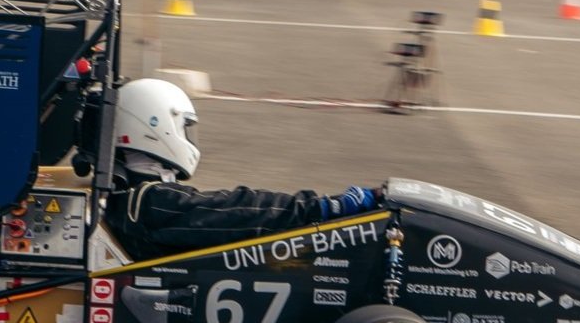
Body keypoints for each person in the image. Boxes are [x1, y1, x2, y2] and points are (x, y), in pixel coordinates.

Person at [102, 78, 380, 261]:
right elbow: (238, 211)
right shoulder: (151, 202)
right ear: (156, 126)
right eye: (185, 127)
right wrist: (326, 207)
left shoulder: (129, 196)